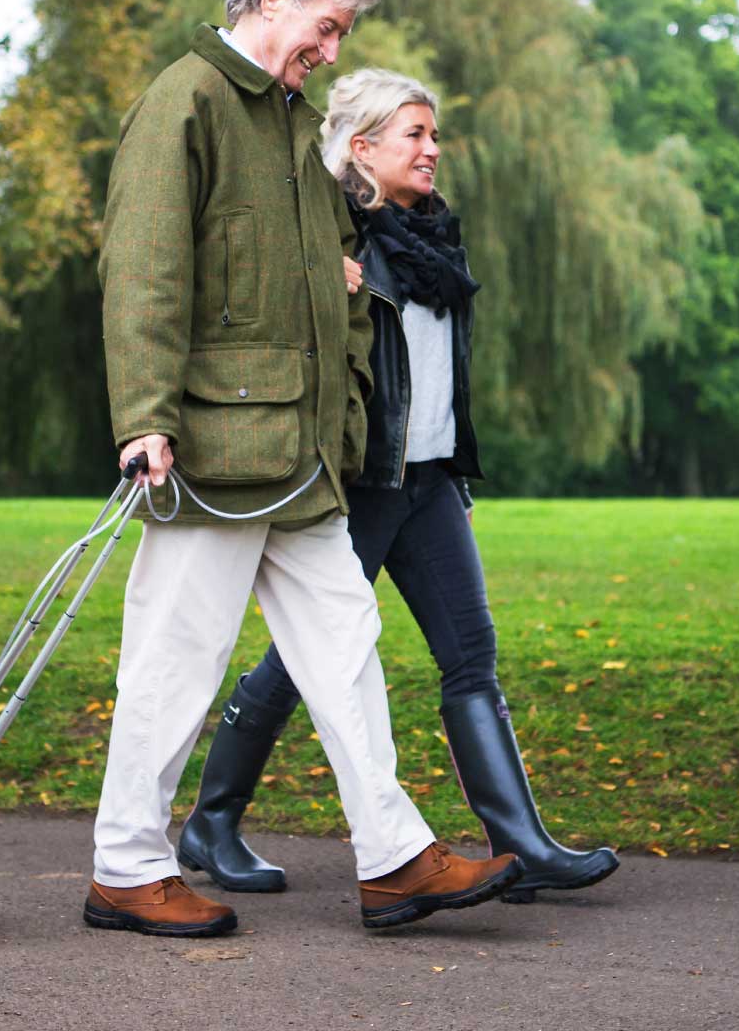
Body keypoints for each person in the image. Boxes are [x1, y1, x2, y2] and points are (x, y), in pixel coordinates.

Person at [88, 0, 524, 938]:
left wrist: (337, 270)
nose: (330, 50)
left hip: (300, 455)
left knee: (345, 645)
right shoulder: (184, 101)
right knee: (175, 657)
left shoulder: (287, 125)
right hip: (211, 448)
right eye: (326, 26)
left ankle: (394, 855)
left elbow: (316, 253)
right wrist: (146, 417)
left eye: (339, 34)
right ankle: (122, 864)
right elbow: (145, 271)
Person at [177, 68, 620, 903]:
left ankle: (519, 844)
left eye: (435, 134)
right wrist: (321, 275)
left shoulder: (434, 243)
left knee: (471, 657)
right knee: (303, 662)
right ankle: (213, 820)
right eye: (414, 134)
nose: (433, 149)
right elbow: (249, 297)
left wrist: (454, 465)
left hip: (433, 483)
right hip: (362, 484)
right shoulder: (330, 240)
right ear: (362, 146)